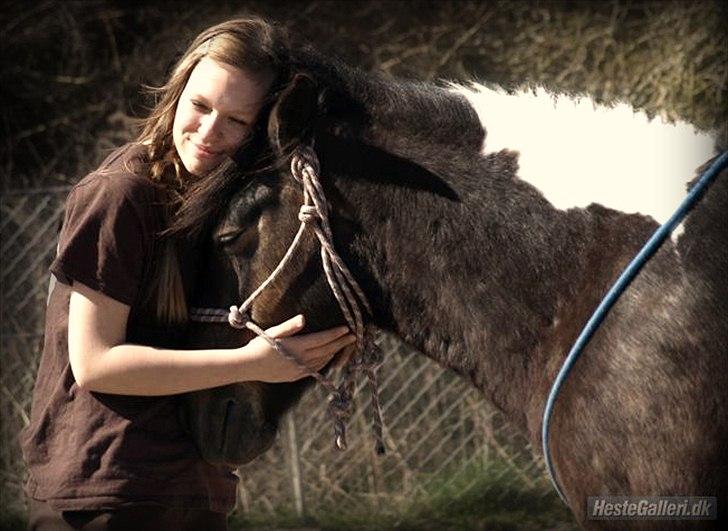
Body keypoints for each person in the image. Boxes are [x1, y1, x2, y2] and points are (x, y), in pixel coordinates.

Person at [21, 17, 354, 531]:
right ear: (177, 93)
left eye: (236, 121)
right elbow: (95, 362)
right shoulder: (120, 193)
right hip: (106, 497)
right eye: (200, 106)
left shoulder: (223, 206)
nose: (207, 132)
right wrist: (250, 363)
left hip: (194, 494)